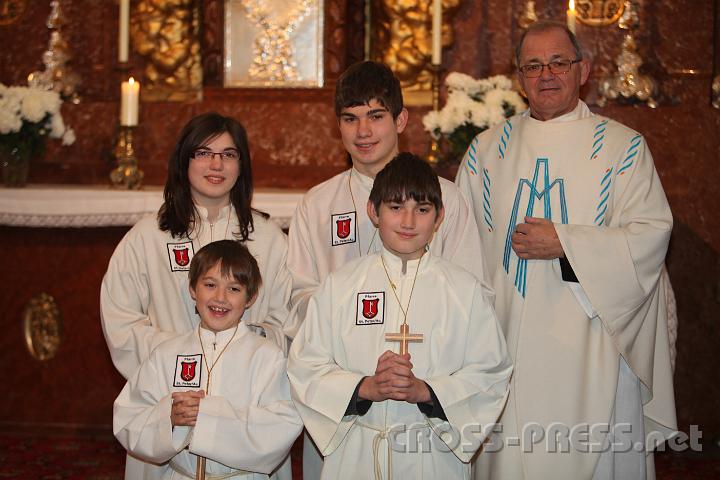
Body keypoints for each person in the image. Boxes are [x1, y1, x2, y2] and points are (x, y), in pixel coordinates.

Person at [455, 21, 677, 479]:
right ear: (519, 78)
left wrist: (566, 243)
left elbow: (651, 235)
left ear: (584, 70)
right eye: (533, 66)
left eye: (559, 62)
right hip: (505, 347)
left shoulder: (623, 150)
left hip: (594, 345)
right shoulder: (484, 152)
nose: (546, 74)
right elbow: (458, 250)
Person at [285, 60, 490, 478]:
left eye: (376, 116)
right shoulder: (317, 204)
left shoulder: (445, 198)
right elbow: (298, 299)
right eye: (350, 118)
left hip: (426, 397)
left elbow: (475, 301)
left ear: (400, 119)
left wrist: (418, 376)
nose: (363, 132)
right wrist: (357, 356)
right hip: (345, 402)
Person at [101, 112, 293, 479]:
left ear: (242, 165)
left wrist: (239, 356)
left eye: (229, 154)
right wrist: (179, 359)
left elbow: (288, 321)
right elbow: (120, 320)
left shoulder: (269, 239)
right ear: (184, 160)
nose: (216, 164)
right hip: (169, 406)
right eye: (203, 153)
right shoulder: (147, 237)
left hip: (247, 410)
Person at [114, 240, 302, 479]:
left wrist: (210, 416)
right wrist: (168, 418)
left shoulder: (266, 357)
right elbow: (128, 417)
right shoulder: (166, 355)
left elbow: (283, 425)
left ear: (251, 297)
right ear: (193, 289)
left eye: (234, 289)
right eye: (210, 285)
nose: (220, 297)